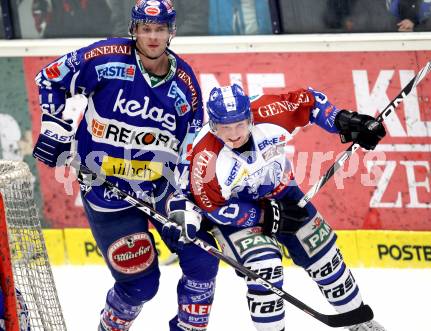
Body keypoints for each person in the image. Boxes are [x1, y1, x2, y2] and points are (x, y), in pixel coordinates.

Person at [31, 1, 219, 330]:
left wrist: (185, 200)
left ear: (171, 31)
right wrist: (56, 126)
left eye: (160, 29)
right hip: (107, 191)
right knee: (140, 285)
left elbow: (190, 145)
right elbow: (50, 79)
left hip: (160, 188)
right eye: (146, 29)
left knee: (203, 260)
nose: (153, 36)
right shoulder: (103, 58)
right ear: (134, 29)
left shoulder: (185, 85)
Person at [162, 84, 387, 331]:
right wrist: (264, 216)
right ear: (213, 126)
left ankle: (359, 321)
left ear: (250, 116)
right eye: (225, 128)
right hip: (239, 211)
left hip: (283, 192)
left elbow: (311, 102)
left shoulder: (269, 110)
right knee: (265, 270)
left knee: (325, 257)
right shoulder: (206, 158)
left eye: (240, 124)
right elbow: (214, 208)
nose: (234, 134)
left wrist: (345, 121)